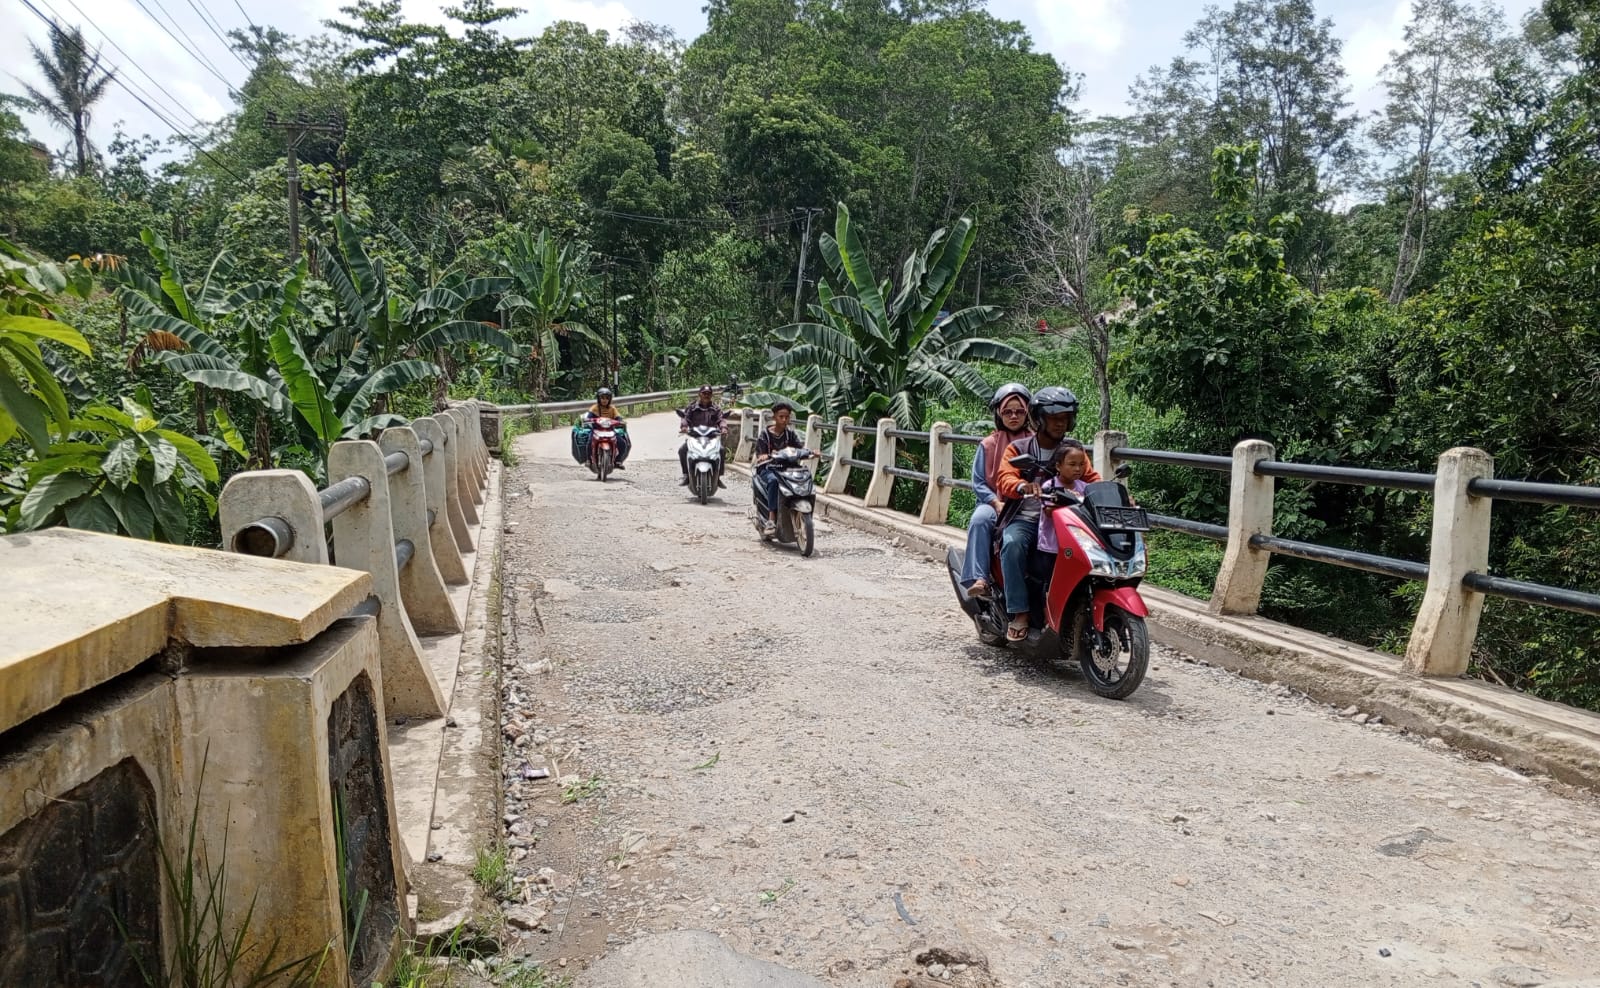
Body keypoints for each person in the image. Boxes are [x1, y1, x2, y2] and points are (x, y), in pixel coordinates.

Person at [993, 387, 1101, 641]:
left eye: (1064, 417)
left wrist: (1115, 494)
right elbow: (1004, 476)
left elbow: (1092, 478)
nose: (1059, 422)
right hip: (1027, 518)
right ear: (1039, 419)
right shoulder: (1019, 448)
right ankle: (1020, 612)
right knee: (1013, 544)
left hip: (1067, 517)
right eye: (1053, 417)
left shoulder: (1073, 451)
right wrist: (1021, 486)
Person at [960, 383, 1034, 600]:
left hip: (1029, 503)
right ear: (999, 414)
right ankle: (979, 578)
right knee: (981, 519)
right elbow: (979, 482)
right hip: (997, 502)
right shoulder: (988, 444)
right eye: (1007, 412)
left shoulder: (1037, 442)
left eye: (1019, 411)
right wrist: (995, 502)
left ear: (1028, 412)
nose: (1014, 416)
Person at [753, 401, 817, 533]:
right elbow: (760, 453)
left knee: (806, 478)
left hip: (788, 469)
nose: (784, 419)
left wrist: (810, 453)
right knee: (773, 482)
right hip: (769, 468)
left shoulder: (790, 434)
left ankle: (808, 517)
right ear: (774, 417)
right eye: (781, 416)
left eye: (787, 417)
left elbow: (799, 449)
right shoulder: (765, 435)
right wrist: (764, 456)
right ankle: (771, 519)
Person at [1036, 440, 1091, 557]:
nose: (1077, 469)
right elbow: (1049, 512)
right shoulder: (1049, 486)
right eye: (1072, 464)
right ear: (1058, 466)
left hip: (1078, 544)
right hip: (1052, 546)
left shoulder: (1085, 487)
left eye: (1081, 464)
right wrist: (1070, 499)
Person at [678, 384, 727, 487]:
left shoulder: (716, 409)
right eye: (704, 393)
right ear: (699, 394)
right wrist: (684, 427)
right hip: (695, 437)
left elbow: (721, 419)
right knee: (682, 450)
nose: (706, 396)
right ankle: (686, 475)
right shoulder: (692, 407)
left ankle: (718, 476)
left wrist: (723, 428)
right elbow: (685, 418)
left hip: (711, 438)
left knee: (721, 450)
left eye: (709, 393)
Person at [583, 387, 631, 468]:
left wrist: (620, 421)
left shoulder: (612, 408)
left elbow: (618, 417)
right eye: (602, 398)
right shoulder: (594, 408)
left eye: (607, 398)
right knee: (590, 441)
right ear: (599, 398)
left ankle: (618, 461)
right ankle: (588, 460)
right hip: (596, 430)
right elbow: (589, 417)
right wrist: (587, 420)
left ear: (610, 399)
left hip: (610, 431)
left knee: (622, 443)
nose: (604, 400)